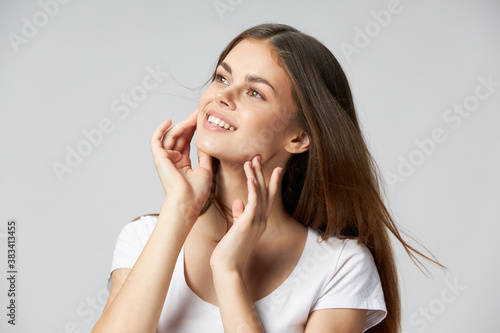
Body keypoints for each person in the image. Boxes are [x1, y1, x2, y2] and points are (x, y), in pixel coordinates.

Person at [92, 23, 443, 333]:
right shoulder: (142, 238)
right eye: (222, 78)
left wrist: (228, 273)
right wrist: (179, 210)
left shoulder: (340, 266)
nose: (222, 96)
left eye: (254, 92)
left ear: (299, 137)